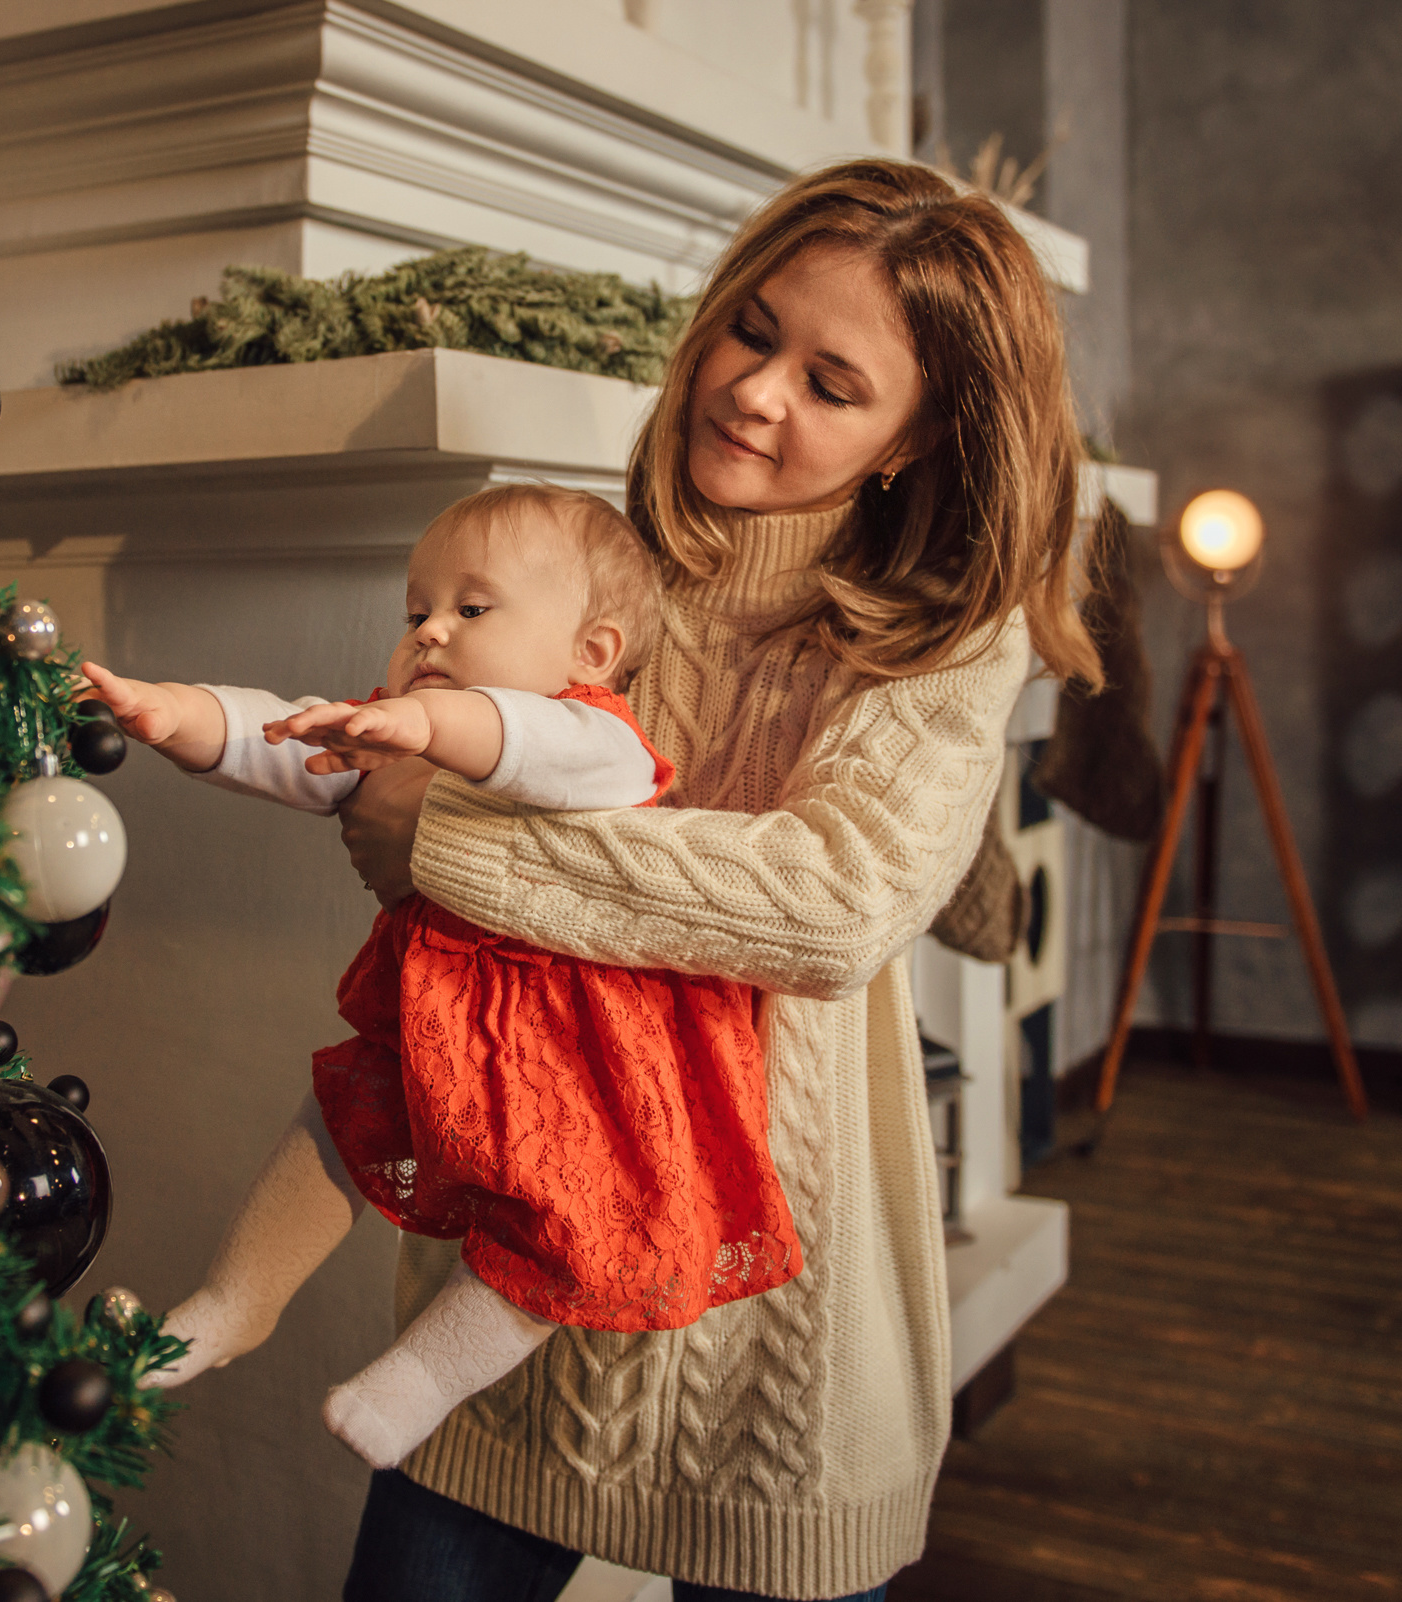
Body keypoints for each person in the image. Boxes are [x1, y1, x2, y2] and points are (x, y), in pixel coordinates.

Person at [325, 158, 1102, 1602]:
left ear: (911, 444)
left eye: (832, 381)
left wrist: (460, 845)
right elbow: (401, 757)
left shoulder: (947, 639)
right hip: (515, 1278)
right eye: (752, 333)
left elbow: (831, 901)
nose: (757, 394)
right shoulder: (585, 565)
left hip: (779, 1342)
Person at [78, 483, 805, 1471]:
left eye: (471, 610)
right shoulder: (403, 724)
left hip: (576, 1052)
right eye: (415, 611)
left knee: (563, 1223)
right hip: (435, 1019)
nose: (429, 633)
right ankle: (234, 1300)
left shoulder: (598, 739)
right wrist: (180, 716)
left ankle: (424, 1374)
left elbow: (522, 743)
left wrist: (427, 732)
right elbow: (289, 739)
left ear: (591, 652)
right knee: (341, 1117)